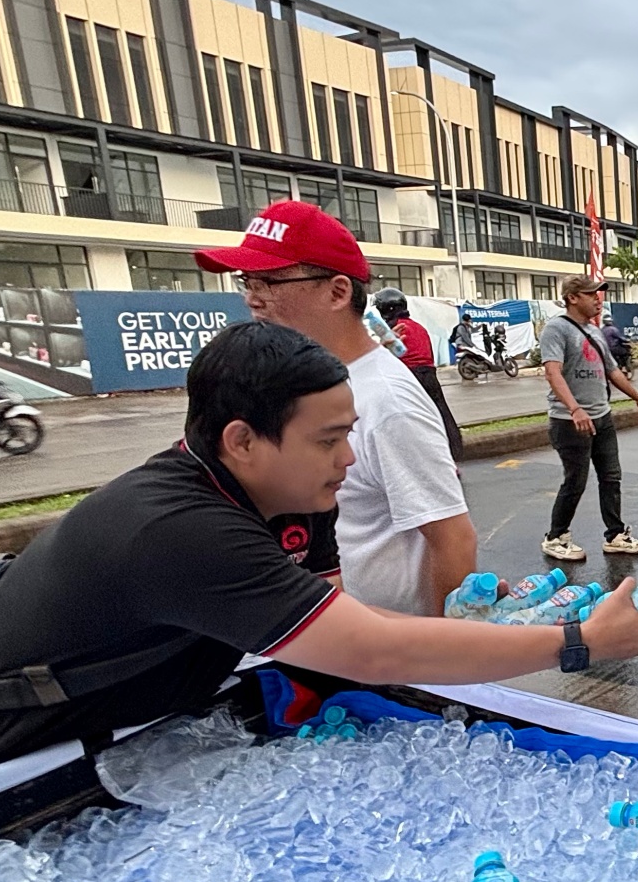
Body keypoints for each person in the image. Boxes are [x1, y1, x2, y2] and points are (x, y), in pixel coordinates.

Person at [0, 322, 638, 766]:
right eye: (328, 439)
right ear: (242, 441)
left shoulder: (295, 492)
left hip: (149, 726)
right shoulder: (180, 530)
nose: (348, 458)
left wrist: (479, 626)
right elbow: (371, 649)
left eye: (349, 431)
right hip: (30, 747)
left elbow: (346, 623)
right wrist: (580, 639)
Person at [196, 200, 473, 617]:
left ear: (338, 291)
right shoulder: (297, 382)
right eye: (246, 281)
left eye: (268, 281)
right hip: (318, 637)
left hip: (383, 656)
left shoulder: (387, 400)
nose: (252, 299)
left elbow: (451, 536)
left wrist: (442, 662)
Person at [540, 276, 638, 561]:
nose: (598, 299)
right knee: (575, 480)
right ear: (573, 298)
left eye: (598, 294)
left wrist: (637, 398)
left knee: (611, 477)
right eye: (591, 294)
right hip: (570, 421)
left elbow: (613, 372)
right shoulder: (556, 330)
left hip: (602, 417)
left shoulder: (595, 332)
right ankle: (556, 537)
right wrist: (574, 409)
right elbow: (552, 373)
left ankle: (615, 535)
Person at [373, 286, 463, 464]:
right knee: (440, 414)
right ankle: (453, 451)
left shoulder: (392, 329)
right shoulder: (418, 326)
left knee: (410, 422)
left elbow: (388, 358)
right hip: (430, 375)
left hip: (409, 377)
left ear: (386, 309)